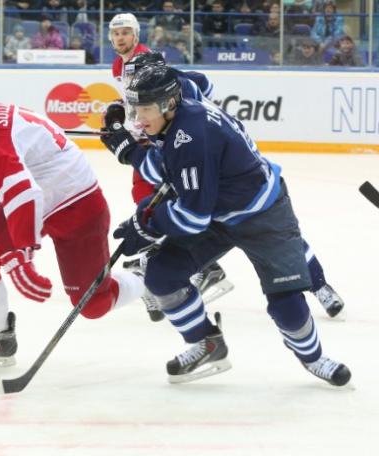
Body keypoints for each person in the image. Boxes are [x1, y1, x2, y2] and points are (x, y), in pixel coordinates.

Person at [99, 64, 351, 387]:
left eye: (144, 109)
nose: (138, 118)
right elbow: (173, 166)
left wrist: (149, 224)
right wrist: (129, 150)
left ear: (167, 104)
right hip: (216, 208)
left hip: (262, 214)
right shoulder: (182, 99)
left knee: (287, 305)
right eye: (135, 108)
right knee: (161, 275)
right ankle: (207, 343)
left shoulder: (190, 137)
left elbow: (192, 216)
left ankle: (314, 358)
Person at [0, 70, 146, 368]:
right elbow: (4, 162)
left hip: (75, 203)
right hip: (39, 198)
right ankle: (1, 339)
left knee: (93, 304)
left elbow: (22, 191)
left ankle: (147, 280)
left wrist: (23, 251)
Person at [117, 51, 346, 320]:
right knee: (203, 219)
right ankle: (204, 269)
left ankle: (318, 284)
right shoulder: (169, 89)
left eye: (136, 75)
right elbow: (203, 85)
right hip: (205, 162)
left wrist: (131, 149)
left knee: (271, 232)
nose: (131, 82)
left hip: (219, 162)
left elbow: (171, 150)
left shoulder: (181, 101)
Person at [109, 15, 233, 321]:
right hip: (147, 135)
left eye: (126, 33)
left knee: (151, 196)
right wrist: (119, 113)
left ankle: (194, 265)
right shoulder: (118, 66)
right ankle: (187, 262)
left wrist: (130, 133)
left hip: (157, 140)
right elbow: (135, 103)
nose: (121, 38)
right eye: (116, 33)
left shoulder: (143, 60)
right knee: (149, 195)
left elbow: (158, 102)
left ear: (136, 34)